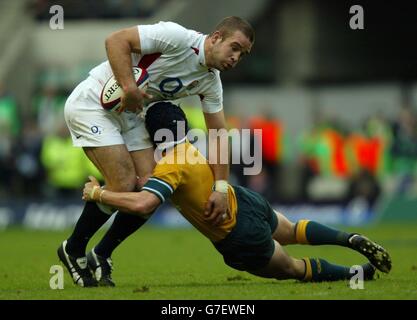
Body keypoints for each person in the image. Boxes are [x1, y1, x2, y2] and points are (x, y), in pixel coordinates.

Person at [82, 102, 392, 284]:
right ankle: (348, 238)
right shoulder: (194, 146)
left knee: (293, 268)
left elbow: (144, 202)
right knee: (294, 230)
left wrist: (99, 194)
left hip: (235, 232)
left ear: (152, 134)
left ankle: (355, 273)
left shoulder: (169, 166)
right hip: (243, 199)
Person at [59, 16, 254, 287]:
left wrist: (221, 188)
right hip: (93, 105)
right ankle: (74, 248)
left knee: (151, 187)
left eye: (242, 54)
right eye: (234, 47)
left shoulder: (211, 82)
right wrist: (129, 87)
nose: (236, 57)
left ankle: (101, 253)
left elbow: (219, 134)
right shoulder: (176, 37)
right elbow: (115, 41)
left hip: (130, 115)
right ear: (216, 37)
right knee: (124, 183)